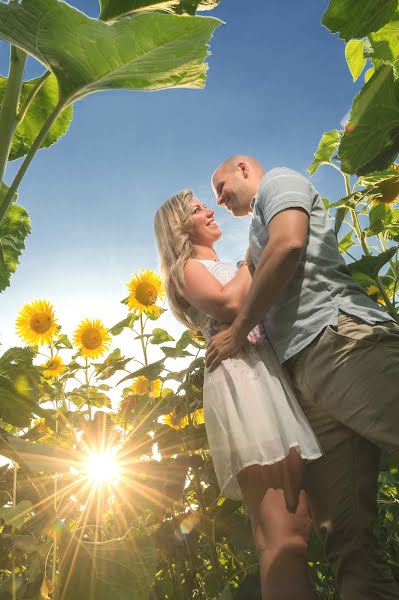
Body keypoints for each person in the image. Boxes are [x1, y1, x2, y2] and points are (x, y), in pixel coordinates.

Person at [206, 154, 399, 599]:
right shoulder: (254, 240)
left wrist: (236, 333)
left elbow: (290, 244)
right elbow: (234, 293)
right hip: (304, 380)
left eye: (221, 186)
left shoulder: (279, 182)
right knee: (346, 538)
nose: (219, 199)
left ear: (243, 169)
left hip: (339, 338)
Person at [154, 190, 322, 599]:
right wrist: (256, 254)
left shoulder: (219, 264)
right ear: (178, 227)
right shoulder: (186, 268)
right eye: (197, 209)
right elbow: (231, 303)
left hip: (264, 375)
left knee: (295, 530)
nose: (210, 211)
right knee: (282, 537)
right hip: (246, 385)